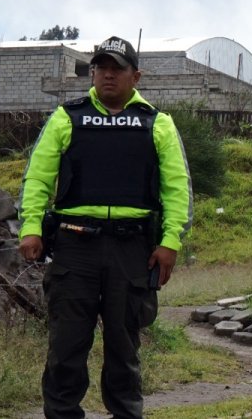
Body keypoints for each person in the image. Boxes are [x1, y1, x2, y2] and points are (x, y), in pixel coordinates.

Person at [18, 35, 193, 419]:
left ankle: (126, 414)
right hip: (73, 247)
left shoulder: (158, 124)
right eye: (101, 68)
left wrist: (170, 241)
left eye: (118, 69)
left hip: (132, 251)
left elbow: (177, 189)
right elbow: (38, 178)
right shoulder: (67, 117)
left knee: (124, 347)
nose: (108, 75)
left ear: (136, 76)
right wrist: (30, 226)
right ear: (92, 73)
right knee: (66, 345)